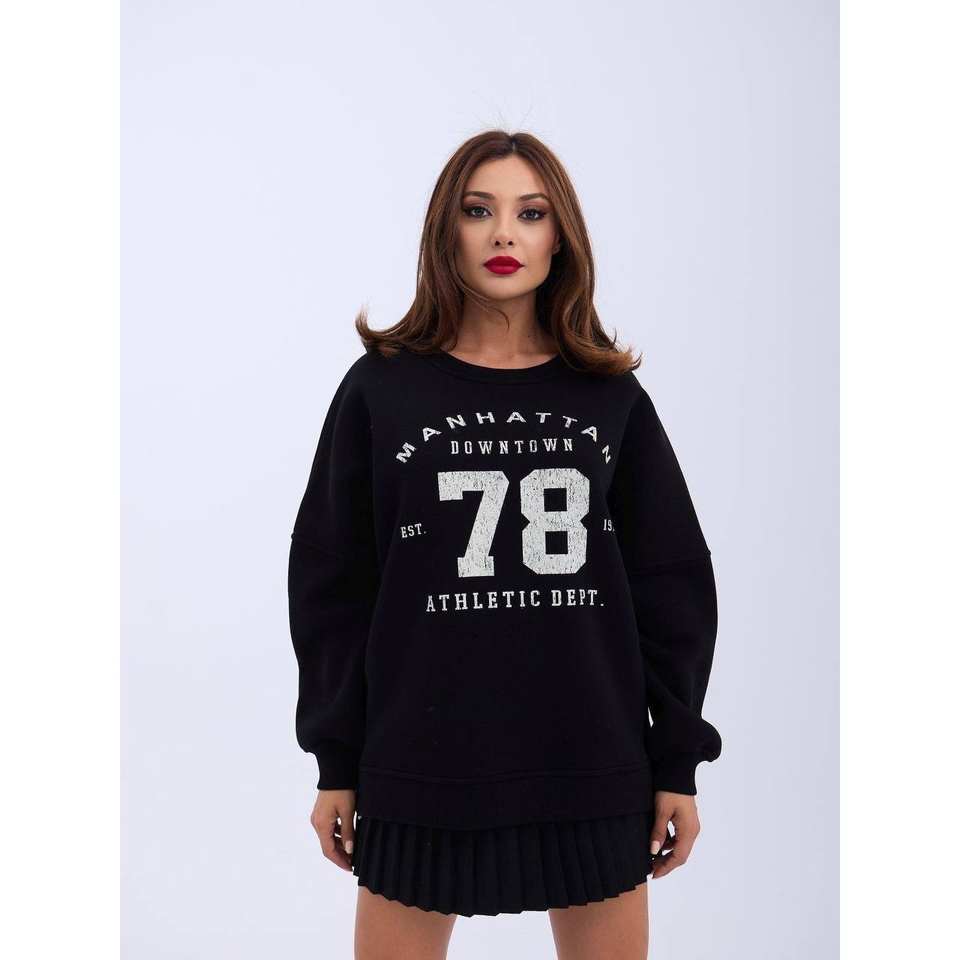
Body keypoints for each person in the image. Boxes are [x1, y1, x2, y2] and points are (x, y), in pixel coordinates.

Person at [287, 129, 722, 960]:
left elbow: (671, 583)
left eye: (531, 213)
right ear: (444, 231)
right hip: (421, 763)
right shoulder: (380, 389)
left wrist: (677, 760)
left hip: (593, 759)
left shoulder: (609, 395)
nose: (503, 235)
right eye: (478, 210)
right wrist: (335, 760)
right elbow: (332, 584)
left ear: (561, 238)